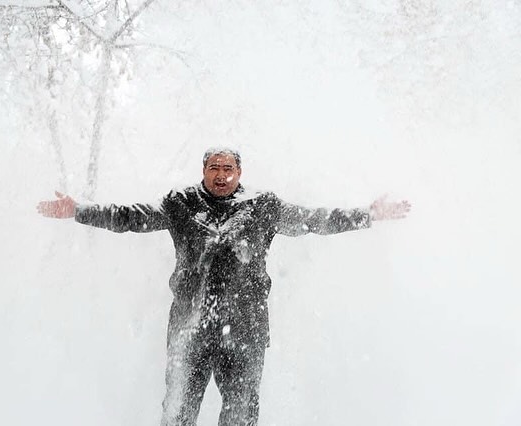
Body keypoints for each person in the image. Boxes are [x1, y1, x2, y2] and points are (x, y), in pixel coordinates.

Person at [37, 148, 411, 426]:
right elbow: (130, 217)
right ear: (203, 170)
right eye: (214, 167)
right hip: (190, 332)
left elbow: (314, 220)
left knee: (241, 418)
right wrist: (77, 211)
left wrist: (368, 214)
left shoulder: (262, 207)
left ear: (239, 172)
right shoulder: (180, 204)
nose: (221, 175)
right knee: (178, 415)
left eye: (227, 168)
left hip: (245, 333)